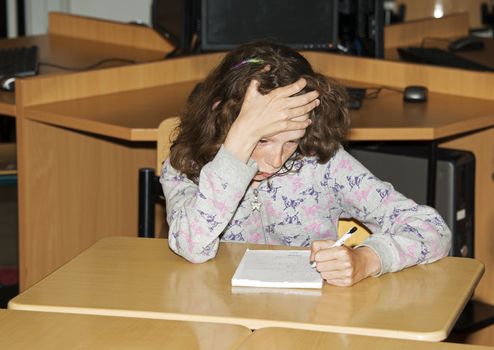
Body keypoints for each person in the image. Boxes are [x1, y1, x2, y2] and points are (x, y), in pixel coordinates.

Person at [160, 41, 451, 287]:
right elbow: (191, 246)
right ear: (222, 120)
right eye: (261, 141)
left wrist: (367, 259)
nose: (274, 161)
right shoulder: (187, 166)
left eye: (290, 142)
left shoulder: (322, 166)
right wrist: (237, 146)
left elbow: (432, 229)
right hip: (220, 323)